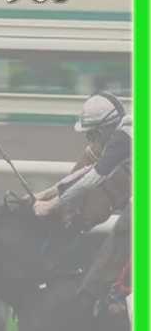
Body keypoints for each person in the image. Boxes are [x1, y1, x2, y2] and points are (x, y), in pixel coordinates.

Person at [33, 92, 131, 315]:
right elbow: (85, 171)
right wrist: (46, 194)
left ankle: (106, 296)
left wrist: (52, 205)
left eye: (91, 135)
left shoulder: (123, 137)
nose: (90, 141)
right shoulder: (123, 136)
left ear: (103, 130)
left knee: (128, 225)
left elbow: (93, 178)